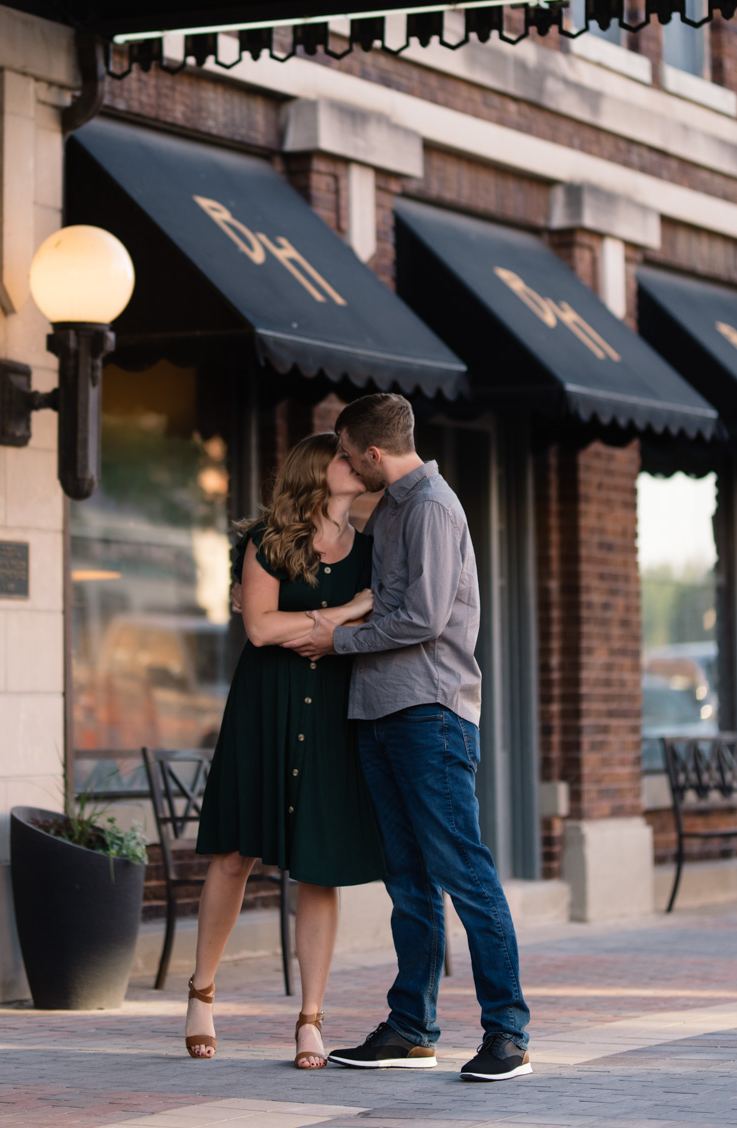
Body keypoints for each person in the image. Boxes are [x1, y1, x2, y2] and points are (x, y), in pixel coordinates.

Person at [283, 392, 532, 1081]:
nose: (338, 463)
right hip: (382, 712)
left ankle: (507, 1033)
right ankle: (411, 1026)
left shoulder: (428, 506)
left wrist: (340, 640)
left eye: (341, 453)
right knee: (409, 881)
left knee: (463, 872)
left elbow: (421, 618)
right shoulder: (389, 507)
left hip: (430, 712)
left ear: (370, 453)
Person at [187, 431, 386, 1068]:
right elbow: (259, 627)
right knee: (236, 854)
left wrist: (344, 613)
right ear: (314, 470)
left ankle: (310, 1019)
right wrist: (341, 615)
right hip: (264, 709)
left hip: (332, 713)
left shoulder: (373, 550)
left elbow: (380, 618)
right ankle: (202, 993)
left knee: (318, 867)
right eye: (342, 457)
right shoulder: (268, 542)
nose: (354, 466)